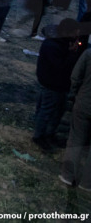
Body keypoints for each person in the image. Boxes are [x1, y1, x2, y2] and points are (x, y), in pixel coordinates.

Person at [33, 21, 84, 152]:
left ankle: (49, 134)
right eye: (75, 32)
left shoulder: (61, 42)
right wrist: (72, 54)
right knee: (47, 111)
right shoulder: (53, 46)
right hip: (52, 84)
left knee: (57, 111)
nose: (77, 35)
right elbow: (61, 67)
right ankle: (39, 136)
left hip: (58, 84)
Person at [61, 36, 91, 190]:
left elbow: (75, 77)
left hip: (85, 103)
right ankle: (87, 183)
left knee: (76, 139)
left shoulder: (88, 54)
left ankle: (67, 175)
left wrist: (73, 95)